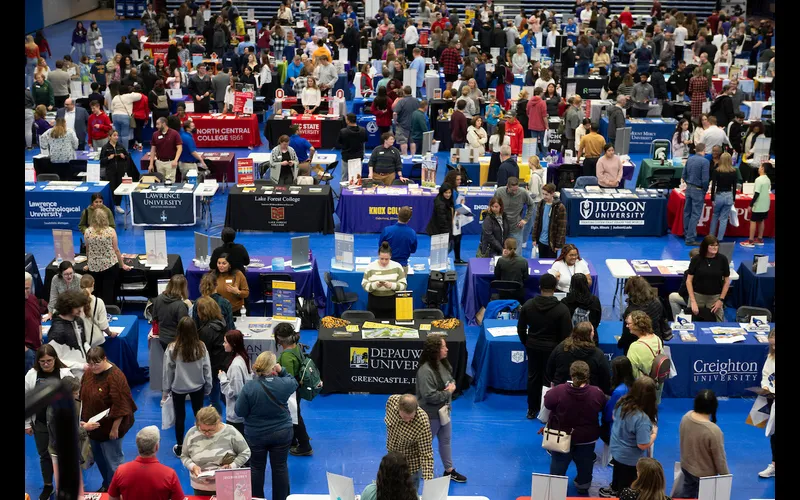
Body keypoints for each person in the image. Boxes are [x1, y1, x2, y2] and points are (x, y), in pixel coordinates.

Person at [234, 351, 298, 500]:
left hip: (256, 435)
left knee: (256, 468)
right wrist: (281, 370)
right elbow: (293, 382)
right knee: (280, 467)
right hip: (282, 432)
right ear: (273, 367)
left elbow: (239, 411)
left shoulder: (249, 387)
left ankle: (257, 498)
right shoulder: (283, 384)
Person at [543, 360, 606, 494]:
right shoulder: (597, 393)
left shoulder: (558, 391)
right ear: (588, 375)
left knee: (558, 463)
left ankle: (555, 487)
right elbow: (602, 406)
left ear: (571, 374)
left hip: (561, 436)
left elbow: (547, 404)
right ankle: (583, 485)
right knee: (586, 463)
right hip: (587, 438)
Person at [80, 346, 137, 492]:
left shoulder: (115, 377)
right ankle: (108, 485)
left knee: (113, 462)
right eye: (90, 364)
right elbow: (83, 395)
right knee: (100, 459)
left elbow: (122, 405)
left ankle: (117, 490)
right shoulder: (89, 373)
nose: (93, 367)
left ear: (105, 359)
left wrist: (114, 428)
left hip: (111, 429)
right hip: (94, 428)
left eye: (96, 363)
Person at [517, 273, 572, 419]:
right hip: (553, 349)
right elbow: (566, 334)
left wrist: (527, 342)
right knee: (550, 379)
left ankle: (531, 409)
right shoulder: (562, 309)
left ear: (540, 287)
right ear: (555, 288)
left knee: (533, 376)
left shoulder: (528, 306)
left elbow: (521, 328)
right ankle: (547, 411)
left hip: (533, 346)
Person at [414, 334, 468, 483]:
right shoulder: (425, 372)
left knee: (445, 441)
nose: (447, 349)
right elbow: (429, 396)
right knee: (424, 445)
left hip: (444, 412)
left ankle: (449, 470)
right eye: (443, 347)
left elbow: (450, 379)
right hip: (430, 415)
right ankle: (414, 470)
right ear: (435, 350)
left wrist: (451, 386)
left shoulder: (442, 363)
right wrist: (448, 392)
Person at [25, 344, 72, 500]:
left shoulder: (65, 374)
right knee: (44, 455)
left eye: (49, 361)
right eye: (42, 361)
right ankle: (48, 485)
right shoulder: (31, 375)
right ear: (37, 361)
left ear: (55, 359)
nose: (46, 364)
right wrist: (26, 424)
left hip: (61, 424)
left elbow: (75, 398)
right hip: (40, 424)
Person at [598, 376, 659, 498]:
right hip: (629, 459)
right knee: (628, 486)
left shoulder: (622, 402)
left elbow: (614, 417)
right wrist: (654, 434)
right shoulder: (642, 419)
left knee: (618, 472)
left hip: (615, 449)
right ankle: (620, 492)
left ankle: (615, 487)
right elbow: (642, 445)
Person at [162, 316, 212, 458]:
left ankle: (180, 446)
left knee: (180, 417)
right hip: (198, 387)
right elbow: (206, 368)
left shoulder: (172, 348)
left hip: (178, 387)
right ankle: (201, 444)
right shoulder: (201, 346)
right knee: (199, 415)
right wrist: (208, 386)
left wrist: (166, 390)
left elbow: (167, 371)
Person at [180, 406, 251, 496]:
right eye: (203, 430)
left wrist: (232, 466)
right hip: (201, 487)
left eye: (210, 430)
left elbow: (245, 452)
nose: (207, 433)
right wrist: (192, 466)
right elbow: (184, 455)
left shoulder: (230, 432)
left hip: (228, 485)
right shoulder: (192, 433)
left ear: (218, 422)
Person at [673, 390, 729, 498]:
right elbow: (719, 458)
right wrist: (725, 477)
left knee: (687, 494)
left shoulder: (686, 417)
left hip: (686, 466)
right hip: (704, 476)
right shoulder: (713, 431)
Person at [107, 426, 185, 500]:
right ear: (157, 447)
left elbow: (112, 498)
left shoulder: (121, 471)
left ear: (138, 446)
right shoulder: (169, 474)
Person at [274, 323, 313, 457]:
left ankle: (305, 445)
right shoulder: (297, 347)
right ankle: (292, 440)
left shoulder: (286, 357)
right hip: (298, 388)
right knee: (294, 416)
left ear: (279, 339)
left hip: (291, 392)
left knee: (294, 417)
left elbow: (287, 380)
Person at [384, 394, 435, 490]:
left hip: (410, 468)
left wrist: (429, 482)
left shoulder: (422, 422)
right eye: (404, 417)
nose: (407, 421)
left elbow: (426, 453)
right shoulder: (391, 402)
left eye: (411, 418)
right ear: (398, 408)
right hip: (391, 461)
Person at [84, 209, 130, 307]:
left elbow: (87, 250)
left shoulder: (87, 232)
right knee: (109, 291)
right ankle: (110, 310)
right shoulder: (110, 231)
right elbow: (116, 249)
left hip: (94, 267)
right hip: (109, 265)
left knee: (96, 291)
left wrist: (88, 264)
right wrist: (122, 264)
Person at [685, 234, 731, 322]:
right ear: (705, 246)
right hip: (697, 296)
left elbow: (726, 281)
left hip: (715, 298)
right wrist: (693, 301)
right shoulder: (696, 259)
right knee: (691, 322)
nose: (715, 248)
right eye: (712, 245)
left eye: (716, 245)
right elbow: (689, 281)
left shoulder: (723, 259)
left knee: (718, 323)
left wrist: (721, 300)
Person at [195, 297, 228, 417]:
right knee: (225, 395)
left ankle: (216, 421)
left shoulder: (206, 331)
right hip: (222, 364)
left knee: (214, 399)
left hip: (212, 367)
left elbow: (203, 352)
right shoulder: (222, 322)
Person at [619, 276, 668, 355]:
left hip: (637, 347)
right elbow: (662, 320)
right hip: (655, 344)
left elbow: (627, 335)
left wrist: (620, 343)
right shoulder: (657, 302)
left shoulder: (631, 312)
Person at [625, 311, 666, 404]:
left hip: (642, 388)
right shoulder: (657, 338)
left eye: (628, 323)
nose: (627, 326)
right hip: (657, 386)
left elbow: (632, 372)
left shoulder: (635, 346)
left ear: (637, 325)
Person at [362, 242, 408, 319]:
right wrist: (375, 285)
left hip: (392, 304)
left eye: (386, 259)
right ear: (378, 256)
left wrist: (391, 285)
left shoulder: (397, 267)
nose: (384, 261)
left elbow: (403, 285)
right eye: (381, 259)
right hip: (374, 304)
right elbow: (365, 285)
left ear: (390, 256)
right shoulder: (370, 267)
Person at [681, 143, 710, 246]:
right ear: (704, 150)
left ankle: (686, 233)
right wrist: (704, 190)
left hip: (689, 188)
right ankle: (690, 238)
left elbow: (683, 174)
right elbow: (705, 179)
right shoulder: (705, 162)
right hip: (698, 189)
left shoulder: (690, 159)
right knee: (695, 214)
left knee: (687, 212)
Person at [740, 162, 774, 248]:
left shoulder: (758, 180)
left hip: (759, 204)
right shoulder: (768, 179)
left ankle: (750, 240)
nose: (759, 168)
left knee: (753, 221)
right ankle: (759, 239)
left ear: (762, 169)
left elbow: (757, 194)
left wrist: (750, 205)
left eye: (760, 166)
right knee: (761, 220)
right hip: (766, 204)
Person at [495, 177, 534, 248]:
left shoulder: (523, 192)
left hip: (516, 227)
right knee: (501, 252)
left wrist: (525, 219)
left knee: (517, 253)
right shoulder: (499, 192)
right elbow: (494, 206)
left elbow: (531, 205)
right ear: (507, 186)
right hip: (501, 227)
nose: (515, 192)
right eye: (513, 190)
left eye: (516, 190)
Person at [379, 206, 418, 272]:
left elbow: (381, 247)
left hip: (386, 265)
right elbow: (413, 250)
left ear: (398, 215)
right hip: (402, 267)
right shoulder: (412, 233)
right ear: (409, 219)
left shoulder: (387, 230)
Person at [79, 274, 114, 347]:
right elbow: (103, 325)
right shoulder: (99, 302)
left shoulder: (75, 301)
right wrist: (110, 333)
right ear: (93, 284)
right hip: (96, 341)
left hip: (79, 340)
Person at [709, 152, 737, 241]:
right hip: (729, 195)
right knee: (724, 218)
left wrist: (712, 198)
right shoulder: (733, 171)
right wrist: (734, 198)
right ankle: (720, 238)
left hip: (719, 195)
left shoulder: (716, 171)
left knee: (715, 215)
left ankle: (711, 237)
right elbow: (734, 187)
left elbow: (713, 185)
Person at [148, 117, 183, 182]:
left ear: (164, 124)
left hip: (170, 163)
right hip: (159, 163)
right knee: (160, 183)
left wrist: (175, 160)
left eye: (158, 124)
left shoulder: (174, 133)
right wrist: (151, 164)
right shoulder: (155, 134)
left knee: (170, 183)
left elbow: (179, 148)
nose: (156, 126)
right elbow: (153, 150)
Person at [494, 238, 529, 303]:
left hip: (504, 294)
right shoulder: (523, 261)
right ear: (516, 247)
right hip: (518, 294)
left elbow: (497, 276)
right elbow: (526, 278)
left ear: (505, 247)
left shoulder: (501, 260)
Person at [336, 114, 366, 182]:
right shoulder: (363, 130)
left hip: (346, 157)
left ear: (348, 121)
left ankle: (342, 192)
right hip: (358, 157)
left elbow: (338, 144)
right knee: (357, 177)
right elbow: (364, 141)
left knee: (344, 176)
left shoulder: (343, 131)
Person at [526, 87, 548, 154]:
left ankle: (536, 154)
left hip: (532, 125)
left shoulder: (529, 102)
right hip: (541, 125)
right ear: (541, 93)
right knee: (543, 141)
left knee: (534, 141)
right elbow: (544, 116)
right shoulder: (542, 103)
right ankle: (545, 155)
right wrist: (547, 125)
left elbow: (528, 113)